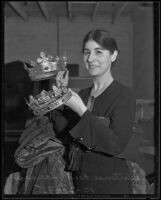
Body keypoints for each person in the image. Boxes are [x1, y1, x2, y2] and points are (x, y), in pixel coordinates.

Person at [51, 29, 138, 194]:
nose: (90, 59)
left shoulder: (124, 94)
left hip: (110, 183)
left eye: (98, 52)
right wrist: (62, 94)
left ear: (113, 56)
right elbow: (64, 133)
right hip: (80, 181)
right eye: (86, 52)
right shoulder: (82, 94)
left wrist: (82, 110)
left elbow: (115, 145)